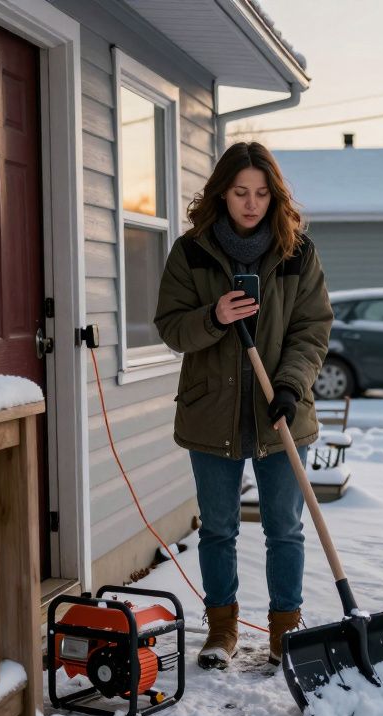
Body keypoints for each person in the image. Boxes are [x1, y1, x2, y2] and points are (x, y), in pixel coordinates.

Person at [153, 142, 332, 669]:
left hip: (281, 410)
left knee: (284, 528)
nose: (250, 204)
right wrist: (215, 316)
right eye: (240, 192)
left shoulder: (298, 251)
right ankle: (223, 630)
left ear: (273, 196)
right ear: (222, 193)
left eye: (260, 193)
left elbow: (312, 329)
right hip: (212, 412)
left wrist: (291, 386)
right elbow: (170, 327)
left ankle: (284, 632)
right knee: (217, 528)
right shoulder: (192, 252)